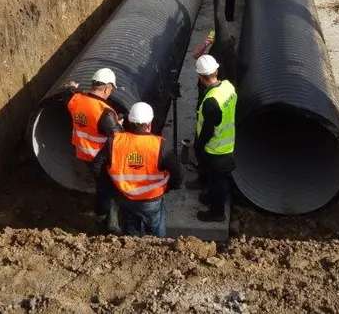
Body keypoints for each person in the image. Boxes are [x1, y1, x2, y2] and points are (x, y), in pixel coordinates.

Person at [91, 102, 182, 237]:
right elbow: (178, 173)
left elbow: (96, 166)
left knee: (130, 232)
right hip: (151, 200)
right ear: (149, 124)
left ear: (129, 121)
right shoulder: (159, 145)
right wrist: (169, 187)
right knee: (156, 234)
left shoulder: (114, 141)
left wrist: (111, 188)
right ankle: (158, 252)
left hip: (124, 198)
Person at [57, 68, 123, 229]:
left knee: (101, 184)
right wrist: (119, 125)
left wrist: (72, 87)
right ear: (107, 88)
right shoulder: (105, 112)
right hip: (99, 158)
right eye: (111, 90)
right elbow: (119, 138)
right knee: (106, 187)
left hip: (82, 152)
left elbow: (67, 94)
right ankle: (104, 217)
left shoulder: (76, 100)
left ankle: (102, 213)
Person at [190, 54, 237, 222]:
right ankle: (211, 197)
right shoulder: (228, 87)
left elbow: (209, 129)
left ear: (200, 77)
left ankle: (217, 213)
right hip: (228, 142)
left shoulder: (211, 101)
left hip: (216, 147)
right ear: (216, 70)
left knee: (217, 181)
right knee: (218, 178)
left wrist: (199, 145)